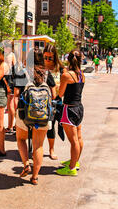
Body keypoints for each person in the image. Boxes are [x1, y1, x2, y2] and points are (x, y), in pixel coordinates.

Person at [15, 50, 54, 185]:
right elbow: (53, 95)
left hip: (24, 113)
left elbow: (16, 93)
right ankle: (35, 177)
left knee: (20, 139)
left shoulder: (23, 73)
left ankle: (26, 164)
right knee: (38, 145)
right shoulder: (47, 74)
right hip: (42, 114)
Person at [57, 49, 85, 176]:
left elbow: (60, 93)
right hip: (79, 107)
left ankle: (71, 168)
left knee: (73, 140)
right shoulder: (82, 75)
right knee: (78, 137)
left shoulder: (66, 75)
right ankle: (75, 161)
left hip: (69, 109)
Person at [43, 43, 63, 160]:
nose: (47, 60)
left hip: (56, 101)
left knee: (52, 126)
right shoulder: (41, 66)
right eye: (45, 57)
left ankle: (51, 149)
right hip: (41, 100)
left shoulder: (60, 68)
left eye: (50, 58)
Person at [4, 41, 17, 135]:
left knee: (10, 104)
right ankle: (15, 124)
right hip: (12, 80)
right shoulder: (12, 55)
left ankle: (10, 126)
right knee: (12, 104)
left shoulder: (8, 55)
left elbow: (7, 69)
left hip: (8, 80)